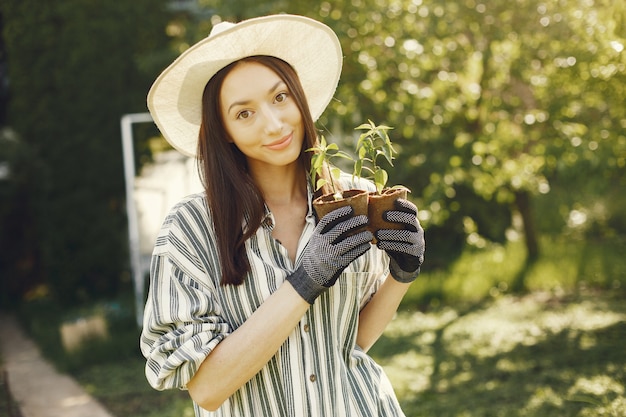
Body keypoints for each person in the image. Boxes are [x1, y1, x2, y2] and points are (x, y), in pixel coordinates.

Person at [140, 14, 425, 417]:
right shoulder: (191, 228)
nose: (273, 125)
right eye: (244, 113)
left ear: (298, 96)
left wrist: (402, 275)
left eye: (279, 97)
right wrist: (305, 281)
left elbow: (351, 340)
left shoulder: (353, 198)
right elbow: (207, 388)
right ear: (223, 131)